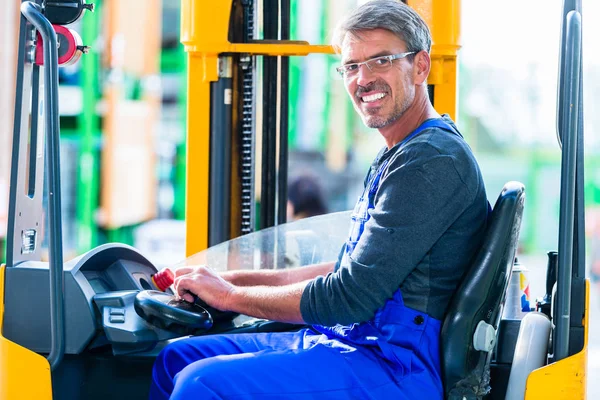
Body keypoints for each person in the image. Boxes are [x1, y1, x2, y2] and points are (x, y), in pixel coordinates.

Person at [149, 1, 488, 398]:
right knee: (176, 359)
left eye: (380, 61)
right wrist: (231, 282)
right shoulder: (401, 152)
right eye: (351, 66)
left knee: (201, 383)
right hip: (357, 343)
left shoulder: (431, 161)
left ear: (420, 66)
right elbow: (348, 269)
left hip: (395, 366)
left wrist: (232, 297)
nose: (362, 79)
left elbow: (348, 296)